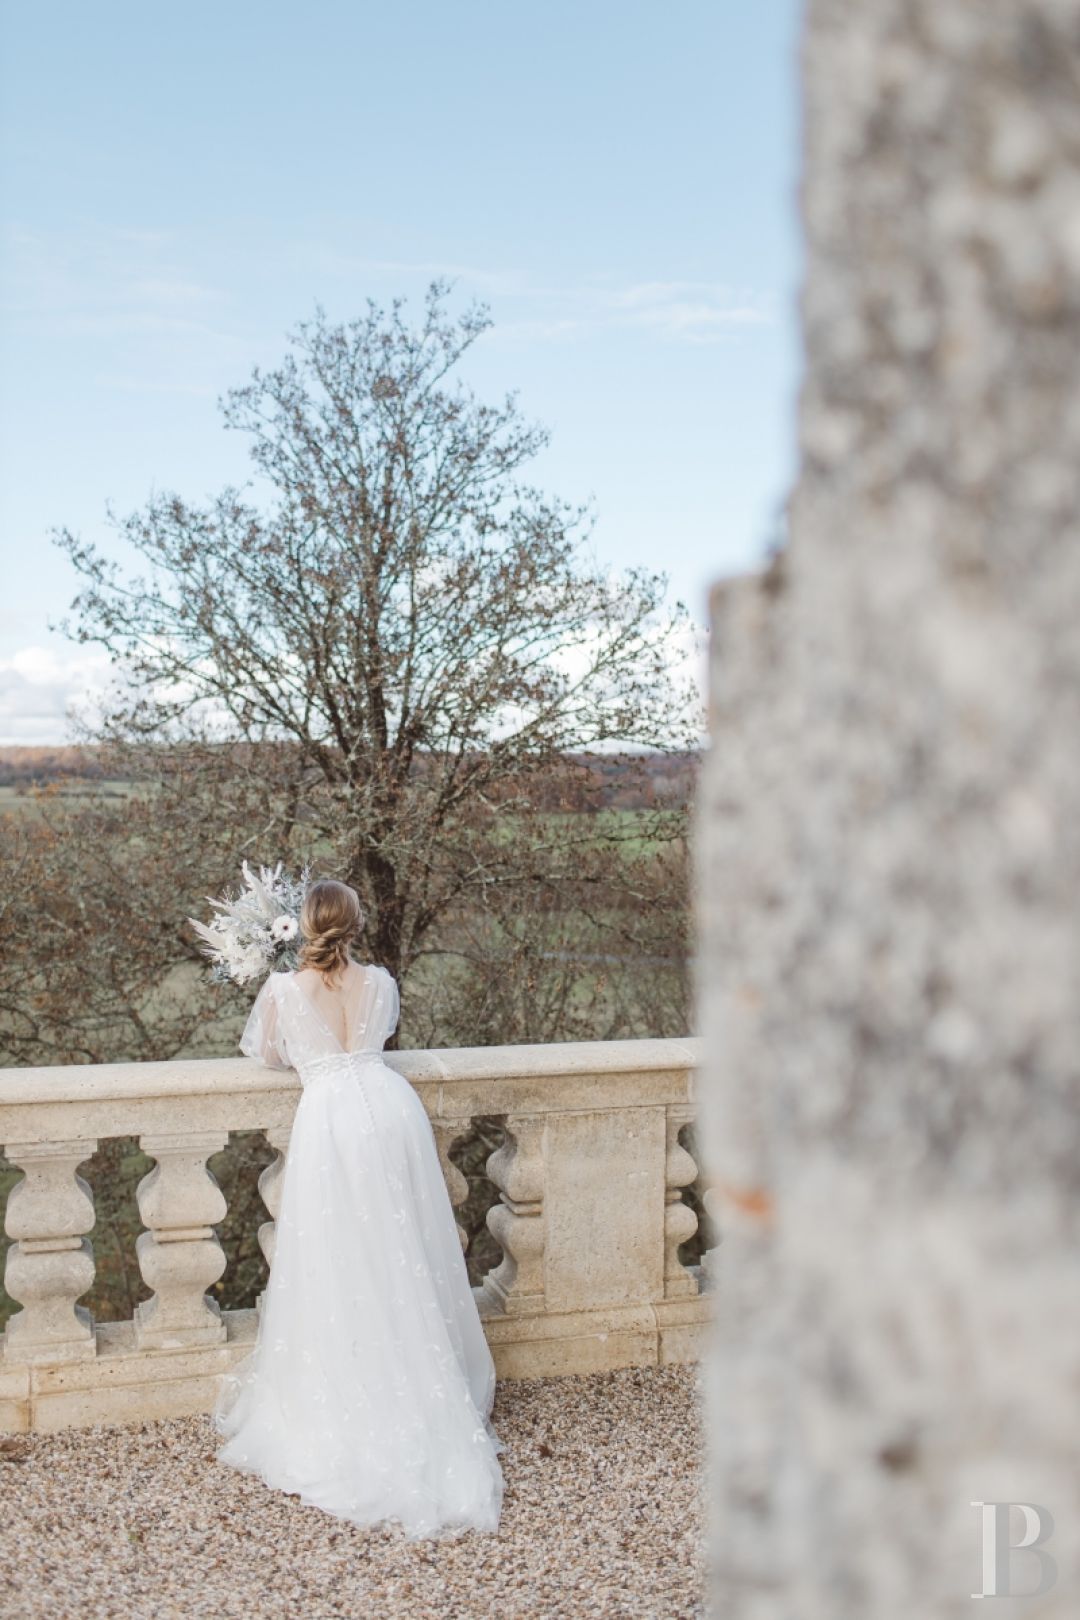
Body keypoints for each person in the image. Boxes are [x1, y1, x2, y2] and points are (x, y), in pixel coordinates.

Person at [212, 878, 505, 1539]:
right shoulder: (382, 980)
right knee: (399, 1247)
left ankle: (353, 1390)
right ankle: (417, 1381)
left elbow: (265, 1054)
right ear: (355, 922)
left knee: (339, 1253)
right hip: (388, 1106)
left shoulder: (284, 990)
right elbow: (381, 1032)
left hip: (331, 1119)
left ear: (299, 925)